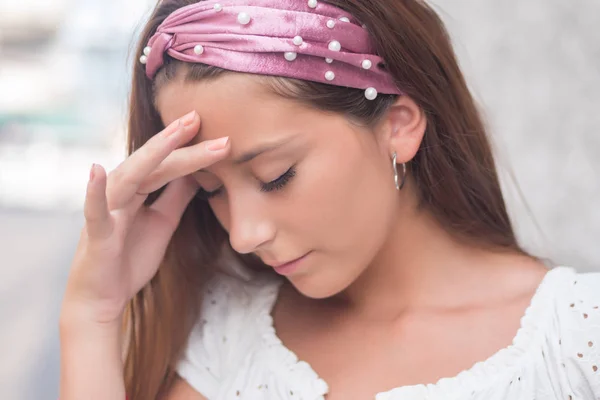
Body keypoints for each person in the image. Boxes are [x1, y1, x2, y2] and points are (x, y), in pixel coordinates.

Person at [59, 0, 600, 399]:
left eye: (276, 176)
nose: (244, 234)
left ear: (398, 125)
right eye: (211, 191)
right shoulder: (226, 335)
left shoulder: (577, 343)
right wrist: (92, 316)